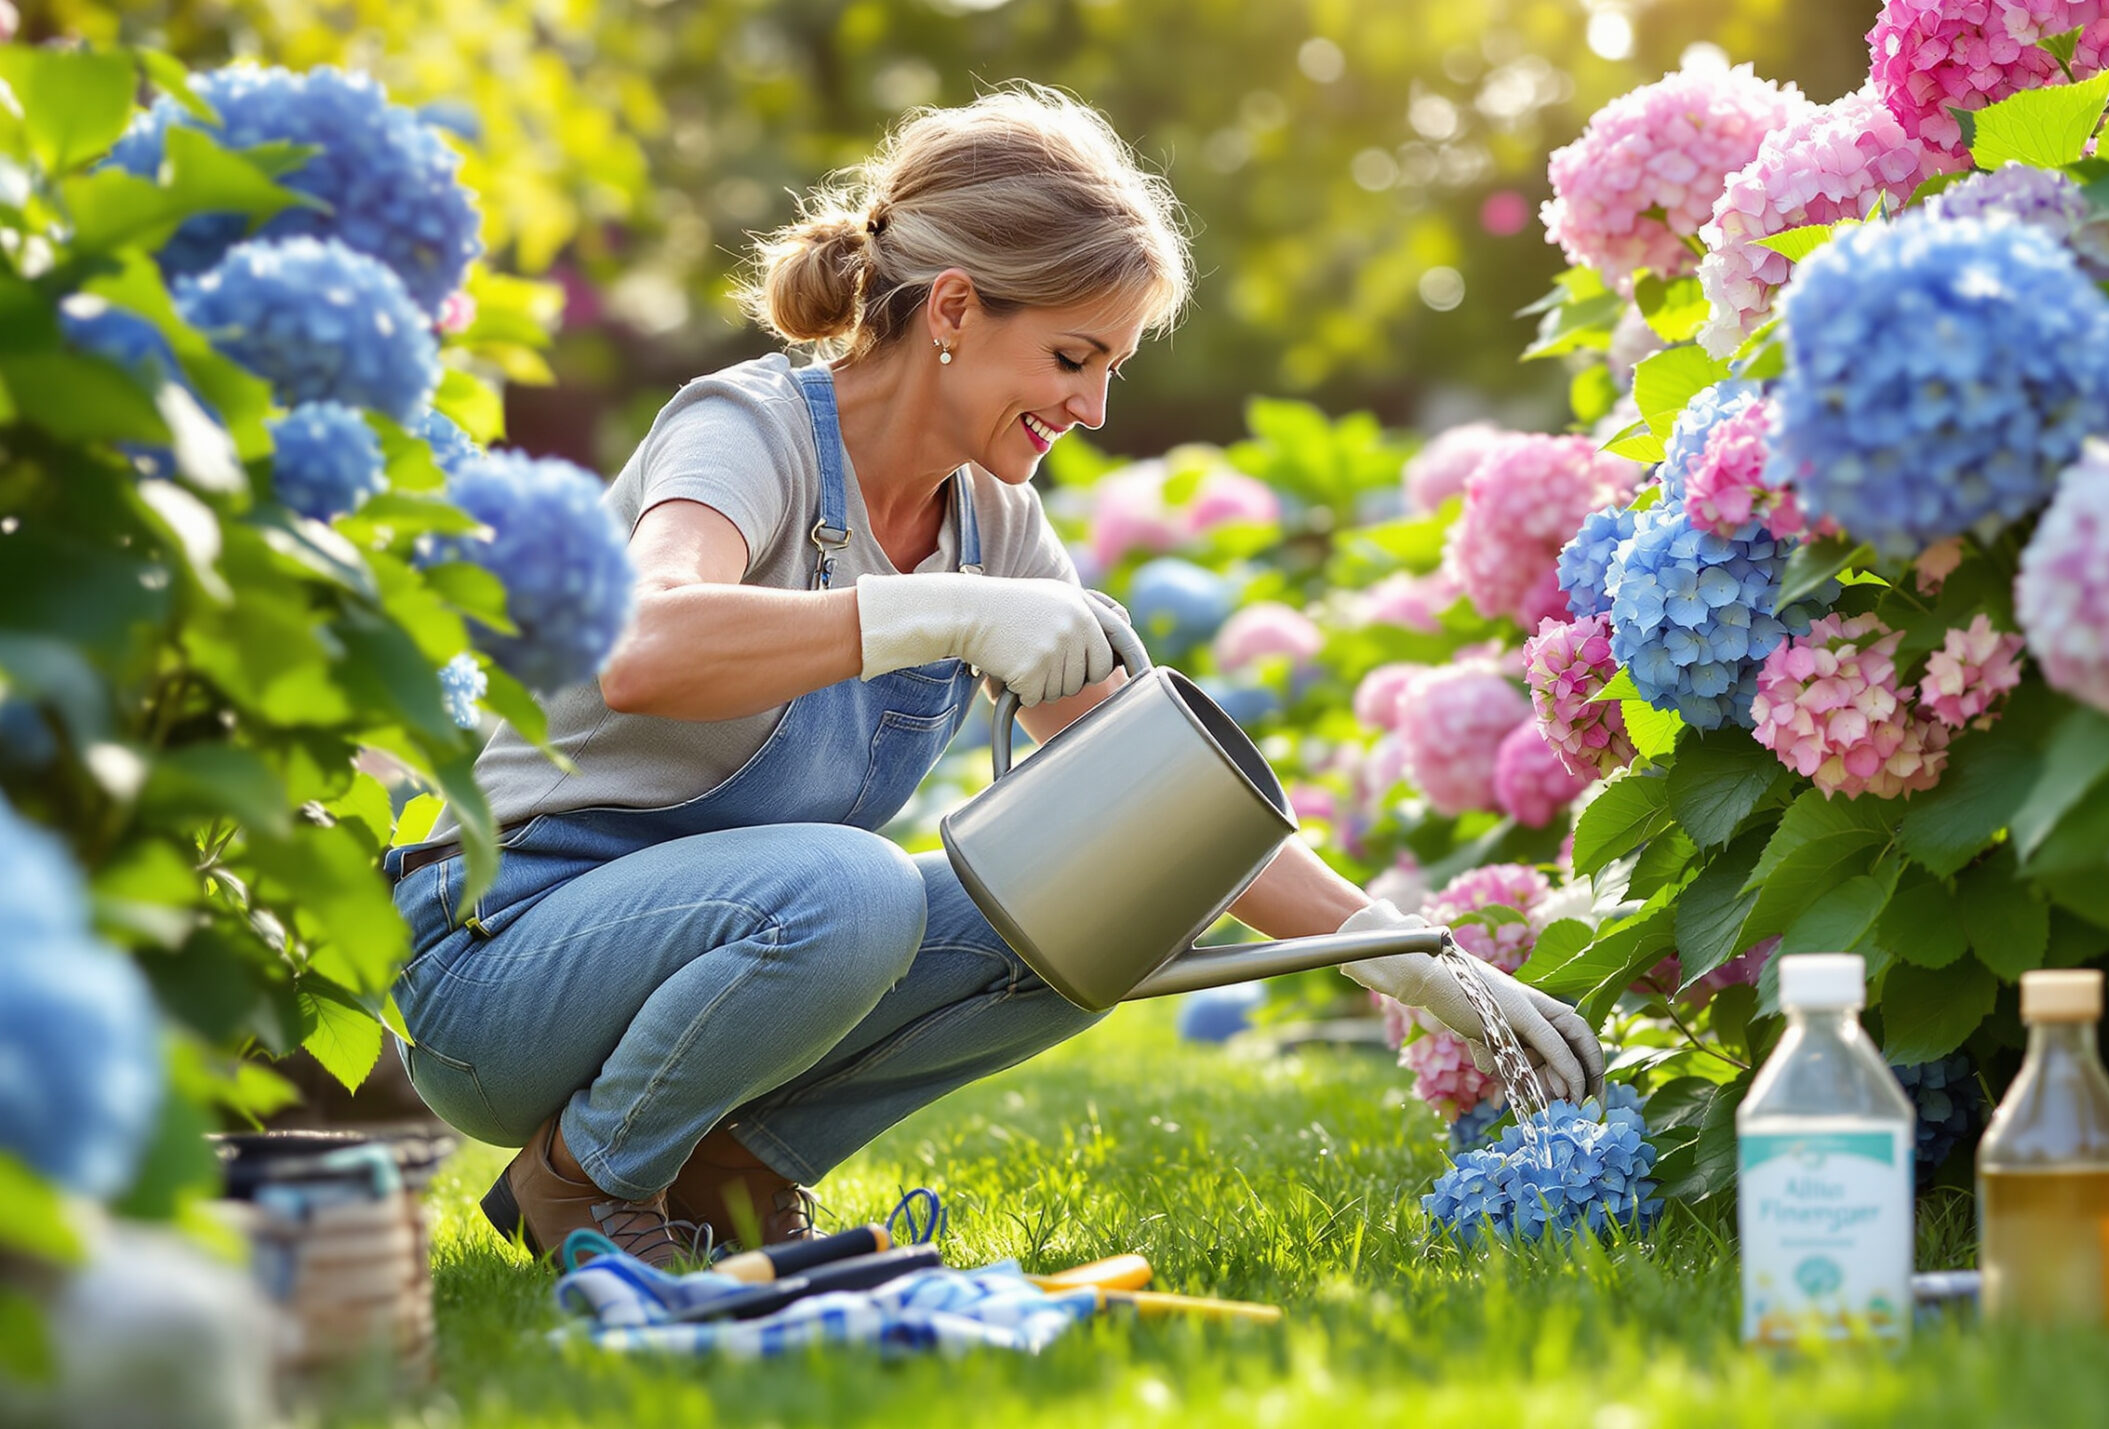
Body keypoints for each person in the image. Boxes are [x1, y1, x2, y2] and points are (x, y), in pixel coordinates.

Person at [381, 86, 1604, 1267]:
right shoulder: (746, 432)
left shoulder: (994, 525)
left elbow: (1158, 804)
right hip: (499, 960)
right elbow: (642, 646)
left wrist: (1406, 955)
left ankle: (726, 1169)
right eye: (1074, 355)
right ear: (956, 307)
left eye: (1112, 365)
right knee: (855, 889)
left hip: (703, 942)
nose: (1095, 406)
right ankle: (585, 1175)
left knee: (1120, 886)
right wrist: (938, 613)